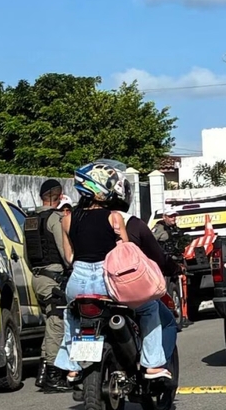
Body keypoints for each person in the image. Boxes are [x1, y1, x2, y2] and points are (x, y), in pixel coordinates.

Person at [52, 161, 180, 384]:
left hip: (77, 282)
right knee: (149, 309)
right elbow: (125, 254)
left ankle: (71, 367)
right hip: (106, 282)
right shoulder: (114, 217)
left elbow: (69, 258)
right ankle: (152, 365)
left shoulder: (67, 219)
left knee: (71, 316)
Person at [24, 177, 73, 391]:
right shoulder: (56, 219)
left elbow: (26, 255)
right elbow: (66, 253)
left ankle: (43, 372)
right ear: (60, 196)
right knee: (57, 323)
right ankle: (53, 372)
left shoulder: (30, 220)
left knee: (49, 322)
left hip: (37, 277)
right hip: (54, 277)